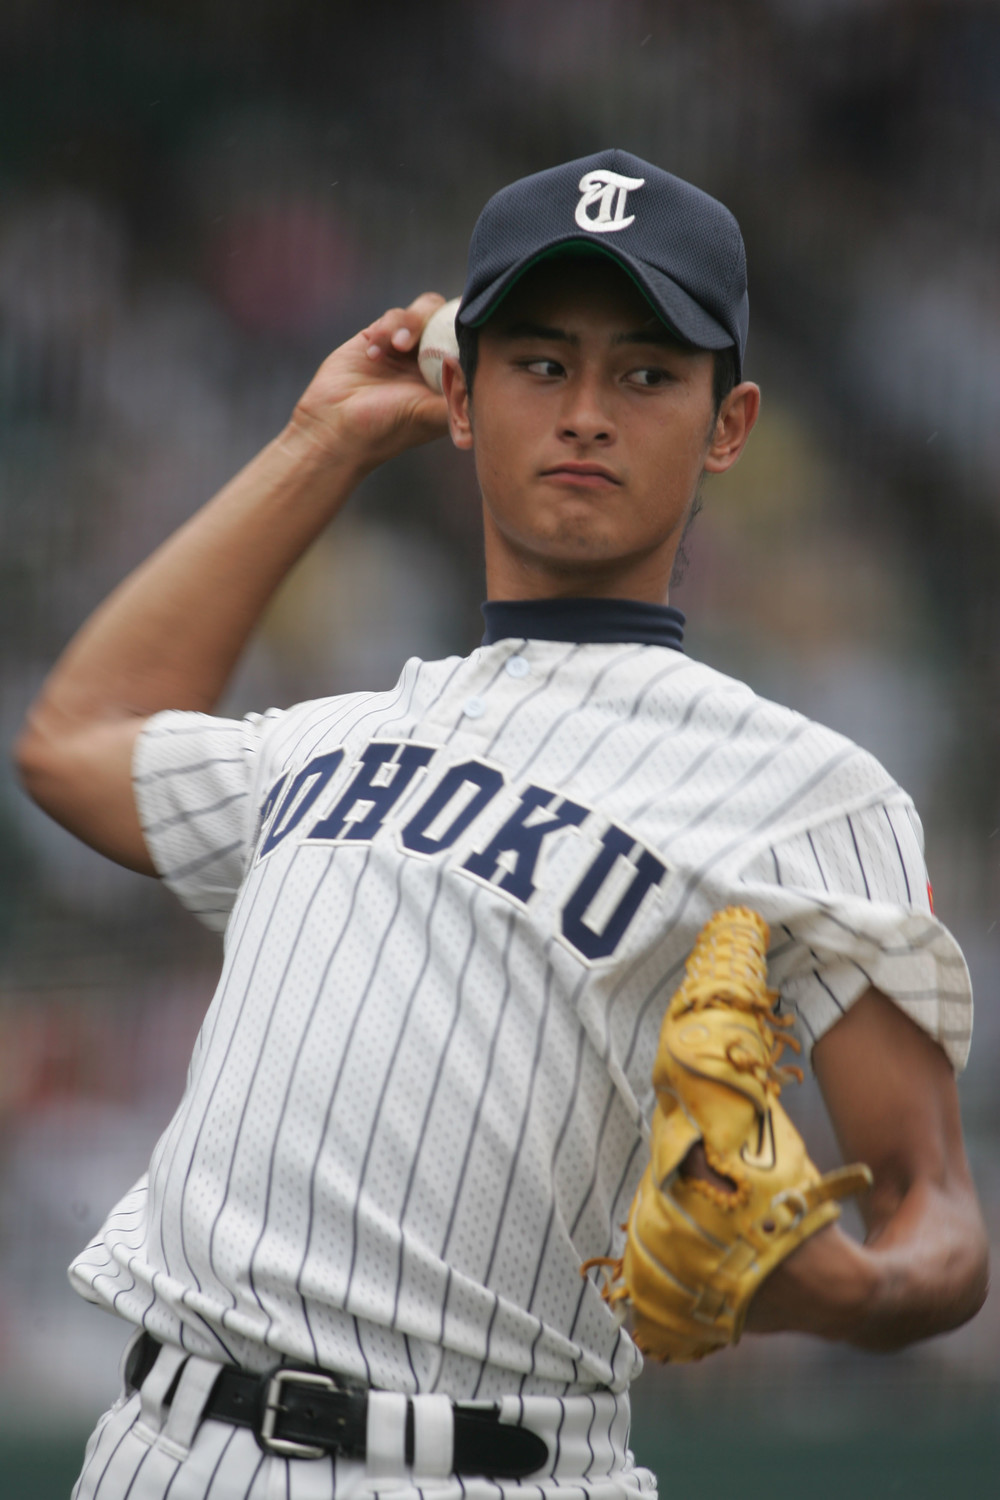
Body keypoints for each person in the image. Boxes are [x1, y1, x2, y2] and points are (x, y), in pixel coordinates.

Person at [16, 149, 988, 1500]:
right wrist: (324, 442)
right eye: (539, 364)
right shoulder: (330, 737)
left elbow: (939, 1217)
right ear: (461, 398)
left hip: (494, 1469)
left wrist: (841, 1291)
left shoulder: (811, 791)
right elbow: (72, 742)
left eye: (646, 373)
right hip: (159, 1449)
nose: (587, 411)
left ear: (729, 425)